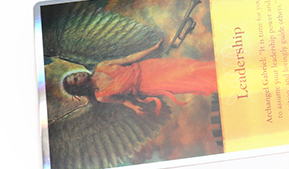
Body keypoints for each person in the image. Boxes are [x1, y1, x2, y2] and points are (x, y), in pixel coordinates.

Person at [61, 40, 217, 115]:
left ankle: (218, 68)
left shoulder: (102, 66)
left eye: (74, 74)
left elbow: (128, 58)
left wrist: (153, 48)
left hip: (148, 68)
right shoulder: (101, 96)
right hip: (148, 85)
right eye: (75, 79)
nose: (78, 75)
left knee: (189, 66)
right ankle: (219, 83)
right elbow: (123, 101)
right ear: (78, 87)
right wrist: (135, 108)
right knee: (188, 81)